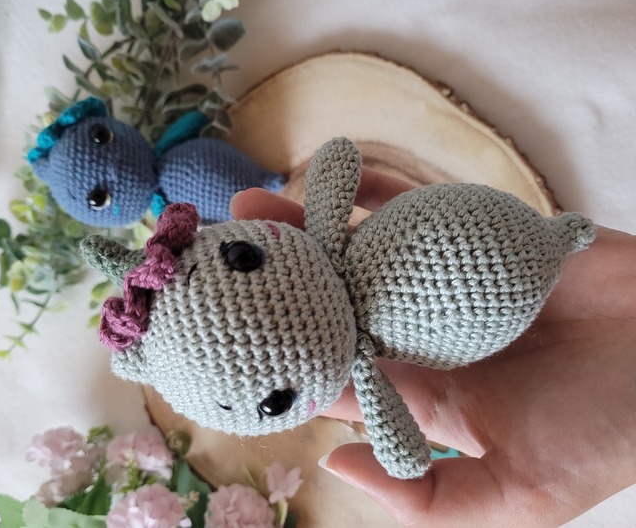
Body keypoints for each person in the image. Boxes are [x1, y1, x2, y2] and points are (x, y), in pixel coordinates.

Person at [230, 168, 636, 527]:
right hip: (487, 247)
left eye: (241, 256)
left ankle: (561, 237)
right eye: (275, 402)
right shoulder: (335, 283)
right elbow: (338, 158)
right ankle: (562, 236)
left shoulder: (352, 354)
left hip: (498, 262)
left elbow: (407, 458)